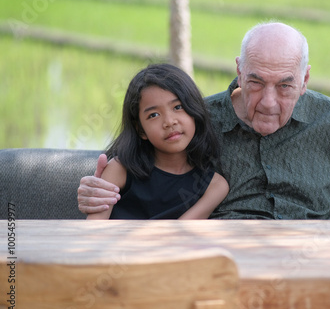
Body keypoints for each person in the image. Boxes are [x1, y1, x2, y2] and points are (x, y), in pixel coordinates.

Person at [78, 22, 330, 221]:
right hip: (221, 261)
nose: (268, 102)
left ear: (305, 80)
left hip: (314, 260)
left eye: (285, 86)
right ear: (238, 70)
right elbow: (145, 169)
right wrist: (98, 192)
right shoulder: (197, 120)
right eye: (255, 82)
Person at [87, 63, 229, 220]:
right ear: (141, 130)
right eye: (153, 115)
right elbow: (93, 230)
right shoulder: (120, 170)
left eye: (178, 107)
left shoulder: (215, 186)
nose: (169, 122)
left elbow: (180, 233)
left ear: (194, 111)